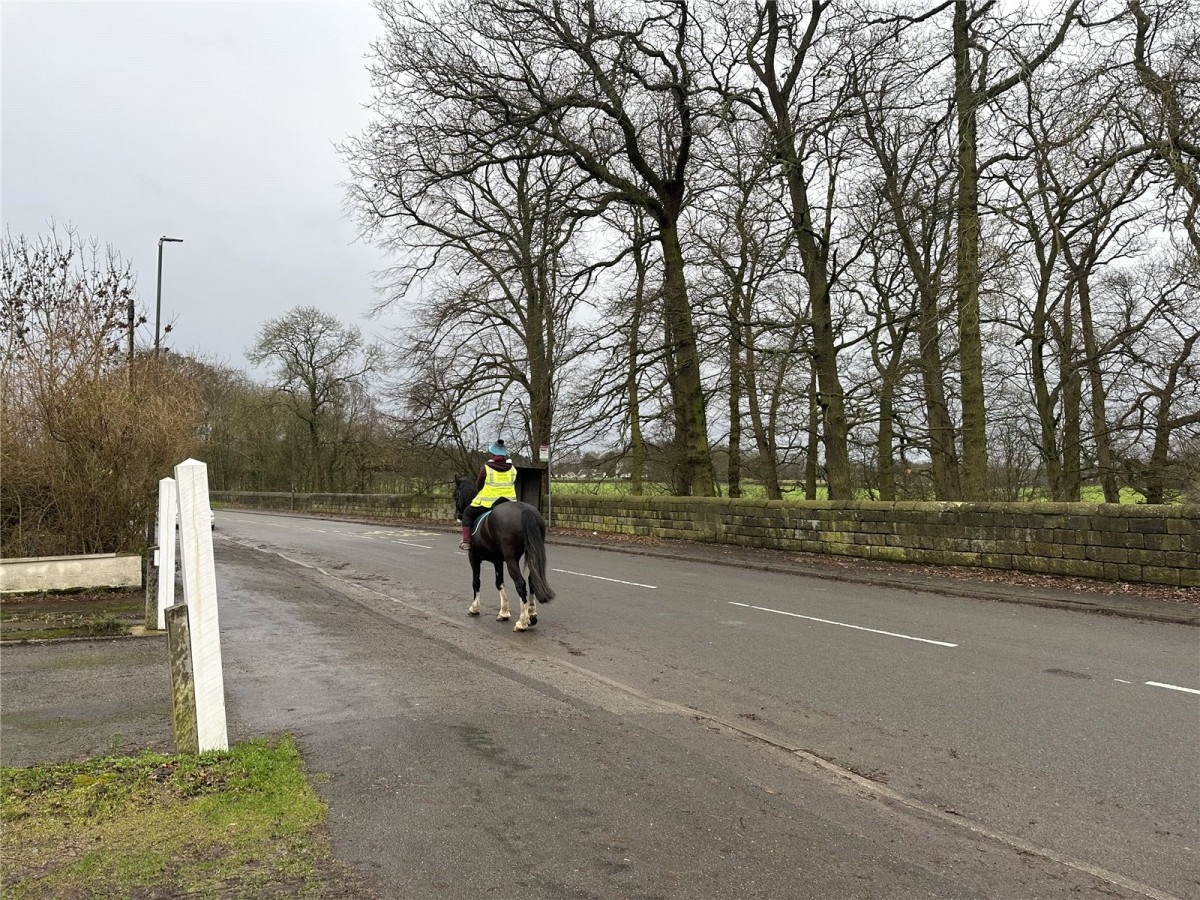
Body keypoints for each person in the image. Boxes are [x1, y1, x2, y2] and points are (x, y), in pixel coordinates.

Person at [460, 440, 517, 550]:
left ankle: (466, 541)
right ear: (504, 454)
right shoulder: (513, 469)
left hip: (489, 503)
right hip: (509, 502)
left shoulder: (486, 468)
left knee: (467, 513)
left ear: (492, 454)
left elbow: (479, 485)